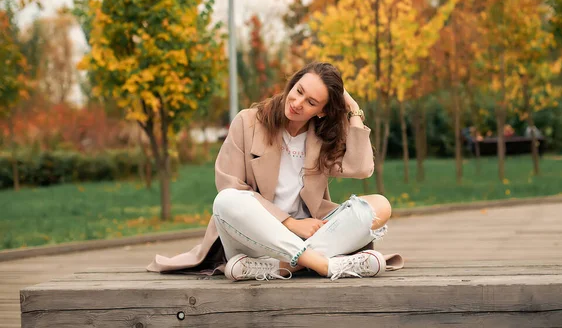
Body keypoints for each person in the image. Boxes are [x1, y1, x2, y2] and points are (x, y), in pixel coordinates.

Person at [147, 62, 403, 281]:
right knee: (225, 201)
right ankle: (325, 264)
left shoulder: (324, 137)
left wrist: (353, 109)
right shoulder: (247, 122)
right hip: (252, 239)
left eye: (311, 101)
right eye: (298, 91)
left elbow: (361, 168)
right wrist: (291, 224)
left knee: (379, 205)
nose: (297, 102)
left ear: (322, 111)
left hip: (307, 237)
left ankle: (280, 267)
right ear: (292, 84)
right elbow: (230, 186)